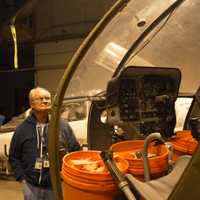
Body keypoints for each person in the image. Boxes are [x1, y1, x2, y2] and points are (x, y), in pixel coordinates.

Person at [9, 87, 80, 200]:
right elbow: (14, 156)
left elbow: (75, 151)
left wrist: (67, 175)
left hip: (56, 186)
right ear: (31, 104)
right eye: (41, 98)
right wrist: (22, 179)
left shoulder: (62, 126)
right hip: (31, 186)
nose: (45, 101)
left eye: (47, 98)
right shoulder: (22, 129)